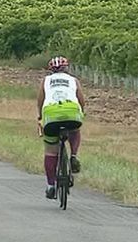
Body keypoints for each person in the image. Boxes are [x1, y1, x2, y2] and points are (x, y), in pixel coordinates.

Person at [37, 56, 85, 200]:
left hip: (51, 115)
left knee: (51, 151)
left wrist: (40, 117)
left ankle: (51, 186)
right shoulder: (73, 80)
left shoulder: (45, 81)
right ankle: (74, 156)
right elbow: (81, 100)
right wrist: (81, 113)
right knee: (75, 131)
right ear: (66, 68)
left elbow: (40, 101)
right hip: (72, 112)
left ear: (50, 69)